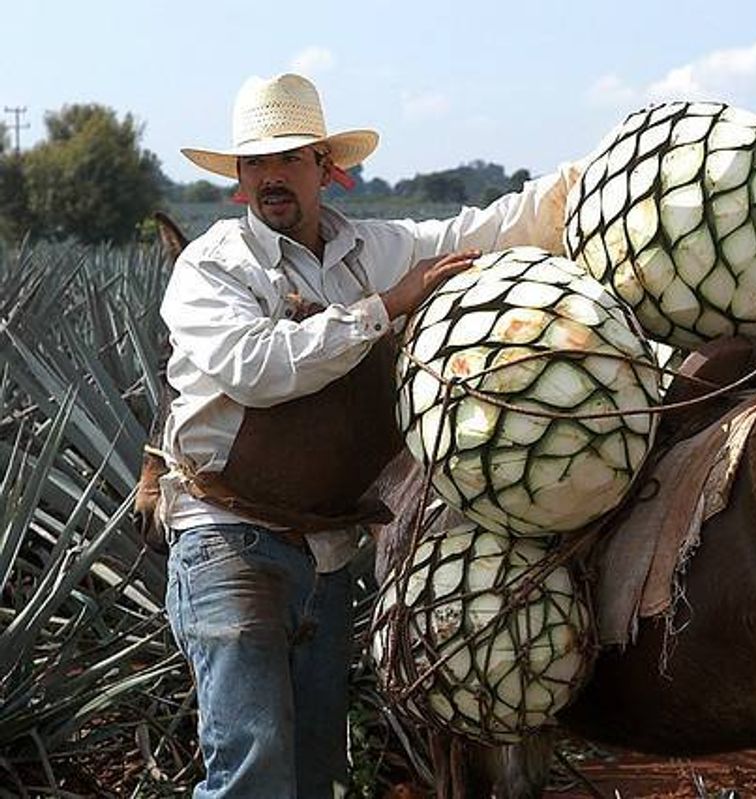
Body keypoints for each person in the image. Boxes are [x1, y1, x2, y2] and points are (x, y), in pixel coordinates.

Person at [156, 72, 582, 798]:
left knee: (318, 765)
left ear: (328, 166)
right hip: (229, 541)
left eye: (290, 158)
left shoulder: (370, 248)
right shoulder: (215, 267)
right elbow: (256, 367)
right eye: (255, 163)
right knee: (253, 768)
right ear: (238, 179)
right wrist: (383, 308)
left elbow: (481, 231)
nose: (271, 177)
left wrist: (594, 178)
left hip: (327, 551)